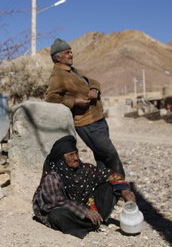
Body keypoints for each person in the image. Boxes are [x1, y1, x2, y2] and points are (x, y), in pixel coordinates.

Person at [45, 38, 125, 178]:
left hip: (98, 119)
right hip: (86, 123)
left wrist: (94, 89)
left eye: (71, 52)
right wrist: (74, 101)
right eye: (67, 52)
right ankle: (123, 188)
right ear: (58, 57)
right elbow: (51, 98)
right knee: (110, 154)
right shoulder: (57, 76)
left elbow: (93, 81)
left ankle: (104, 192)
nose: (71, 55)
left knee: (101, 157)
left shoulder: (74, 71)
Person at [32, 135, 135, 238]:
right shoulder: (52, 177)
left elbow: (109, 175)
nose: (76, 158)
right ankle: (89, 224)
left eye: (76, 153)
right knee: (56, 216)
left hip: (89, 209)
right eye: (71, 155)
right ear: (62, 159)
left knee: (110, 186)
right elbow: (56, 202)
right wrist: (84, 211)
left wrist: (124, 190)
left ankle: (96, 219)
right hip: (71, 213)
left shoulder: (85, 169)